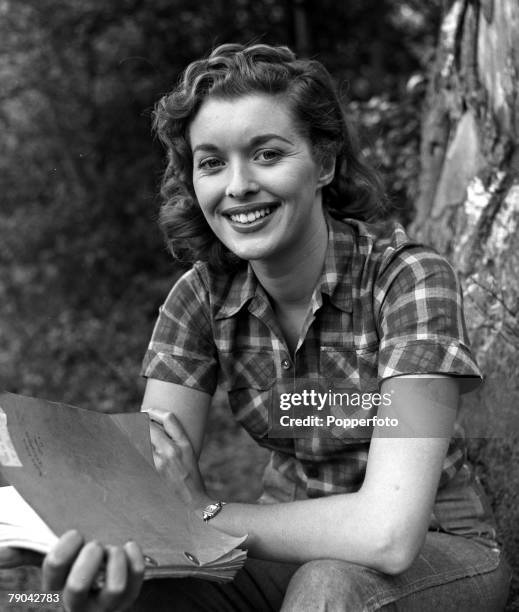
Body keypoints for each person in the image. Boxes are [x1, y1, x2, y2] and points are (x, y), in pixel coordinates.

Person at [1, 43, 511, 611]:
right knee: (144, 591)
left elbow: (389, 535)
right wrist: (56, 529)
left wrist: (207, 512)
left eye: (266, 154)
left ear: (324, 162)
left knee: (330, 585)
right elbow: (147, 487)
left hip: (438, 555)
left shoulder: (411, 281)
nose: (238, 185)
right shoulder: (200, 296)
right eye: (212, 162)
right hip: (281, 557)